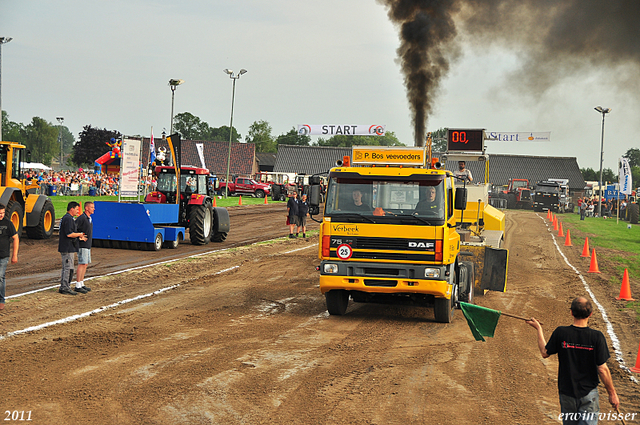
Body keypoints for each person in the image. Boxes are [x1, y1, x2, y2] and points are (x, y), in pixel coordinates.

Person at [527, 297, 619, 424]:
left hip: (567, 392)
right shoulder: (597, 337)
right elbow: (602, 369)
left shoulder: (561, 332)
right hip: (589, 394)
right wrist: (612, 393)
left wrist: (538, 329)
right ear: (591, 314)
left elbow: (544, 353)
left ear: (571, 312)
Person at [58, 201, 87, 295]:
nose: (78, 211)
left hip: (68, 247)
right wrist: (80, 234)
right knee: (68, 268)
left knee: (68, 268)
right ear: (72, 209)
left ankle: (65, 286)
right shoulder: (68, 219)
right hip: (67, 247)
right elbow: (69, 234)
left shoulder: (68, 218)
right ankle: (65, 287)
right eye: (77, 209)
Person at [0, 204, 19, 310]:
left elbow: (15, 238)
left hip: (3, 255)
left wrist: (14, 255)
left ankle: (1, 299)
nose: (1, 215)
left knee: (0, 277)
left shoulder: (8, 224)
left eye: (3, 213)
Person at [75, 201, 94, 294]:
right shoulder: (82, 218)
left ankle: (81, 283)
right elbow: (74, 229)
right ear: (86, 208)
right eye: (91, 207)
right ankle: (78, 284)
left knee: (85, 264)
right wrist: (80, 236)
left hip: (87, 244)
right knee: (82, 263)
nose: (93, 209)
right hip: (82, 245)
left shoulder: (89, 218)